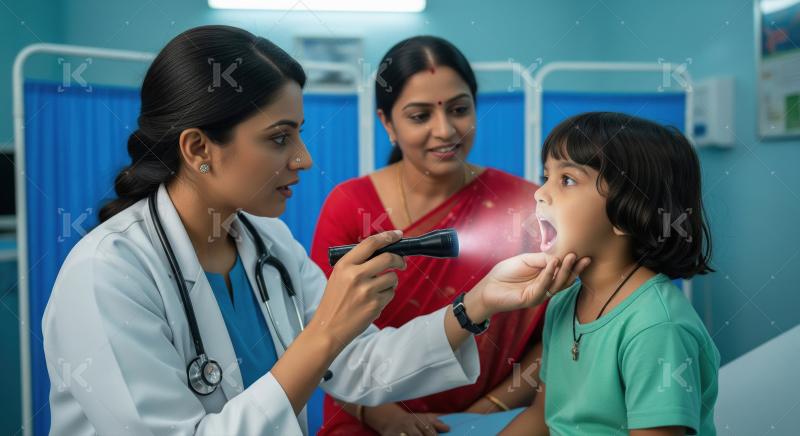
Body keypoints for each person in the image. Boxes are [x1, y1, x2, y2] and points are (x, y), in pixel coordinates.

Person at [41, 25, 588, 435]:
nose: (303, 158)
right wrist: (324, 332)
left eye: (298, 134)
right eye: (279, 138)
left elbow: (360, 366)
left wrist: (477, 304)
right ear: (198, 148)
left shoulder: (267, 244)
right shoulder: (107, 274)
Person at [312, 36, 575, 435]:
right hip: (367, 415)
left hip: (494, 420)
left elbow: (558, 333)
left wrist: (484, 415)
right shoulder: (349, 205)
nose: (445, 130)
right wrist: (389, 419)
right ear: (387, 123)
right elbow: (321, 340)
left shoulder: (525, 204)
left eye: (459, 109)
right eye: (420, 116)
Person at [502, 112, 720, 435]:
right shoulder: (564, 302)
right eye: (545, 175)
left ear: (626, 213)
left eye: (567, 180)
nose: (540, 193)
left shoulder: (656, 328)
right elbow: (544, 417)